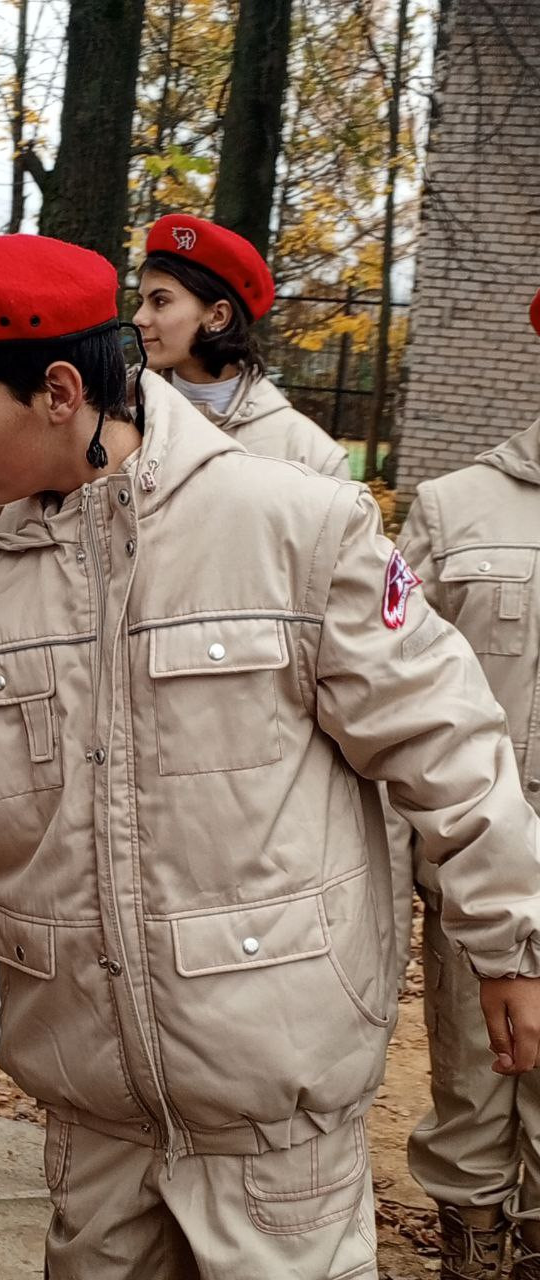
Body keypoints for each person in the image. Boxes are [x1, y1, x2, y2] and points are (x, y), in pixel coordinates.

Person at [0, 236, 540, 1280]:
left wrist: (512, 945)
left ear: (62, 390)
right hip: (94, 1120)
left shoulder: (294, 525)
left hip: (275, 1127)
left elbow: (448, 743)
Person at [389, 288, 540, 1280]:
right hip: (484, 866)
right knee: (479, 1092)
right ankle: (475, 1248)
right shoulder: (457, 505)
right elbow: (389, 686)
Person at [133, 212, 351, 478]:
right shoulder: (118, 419)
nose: (139, 318)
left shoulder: (309, 457)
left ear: (218, 316)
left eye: (160, 301)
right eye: (140, 301)